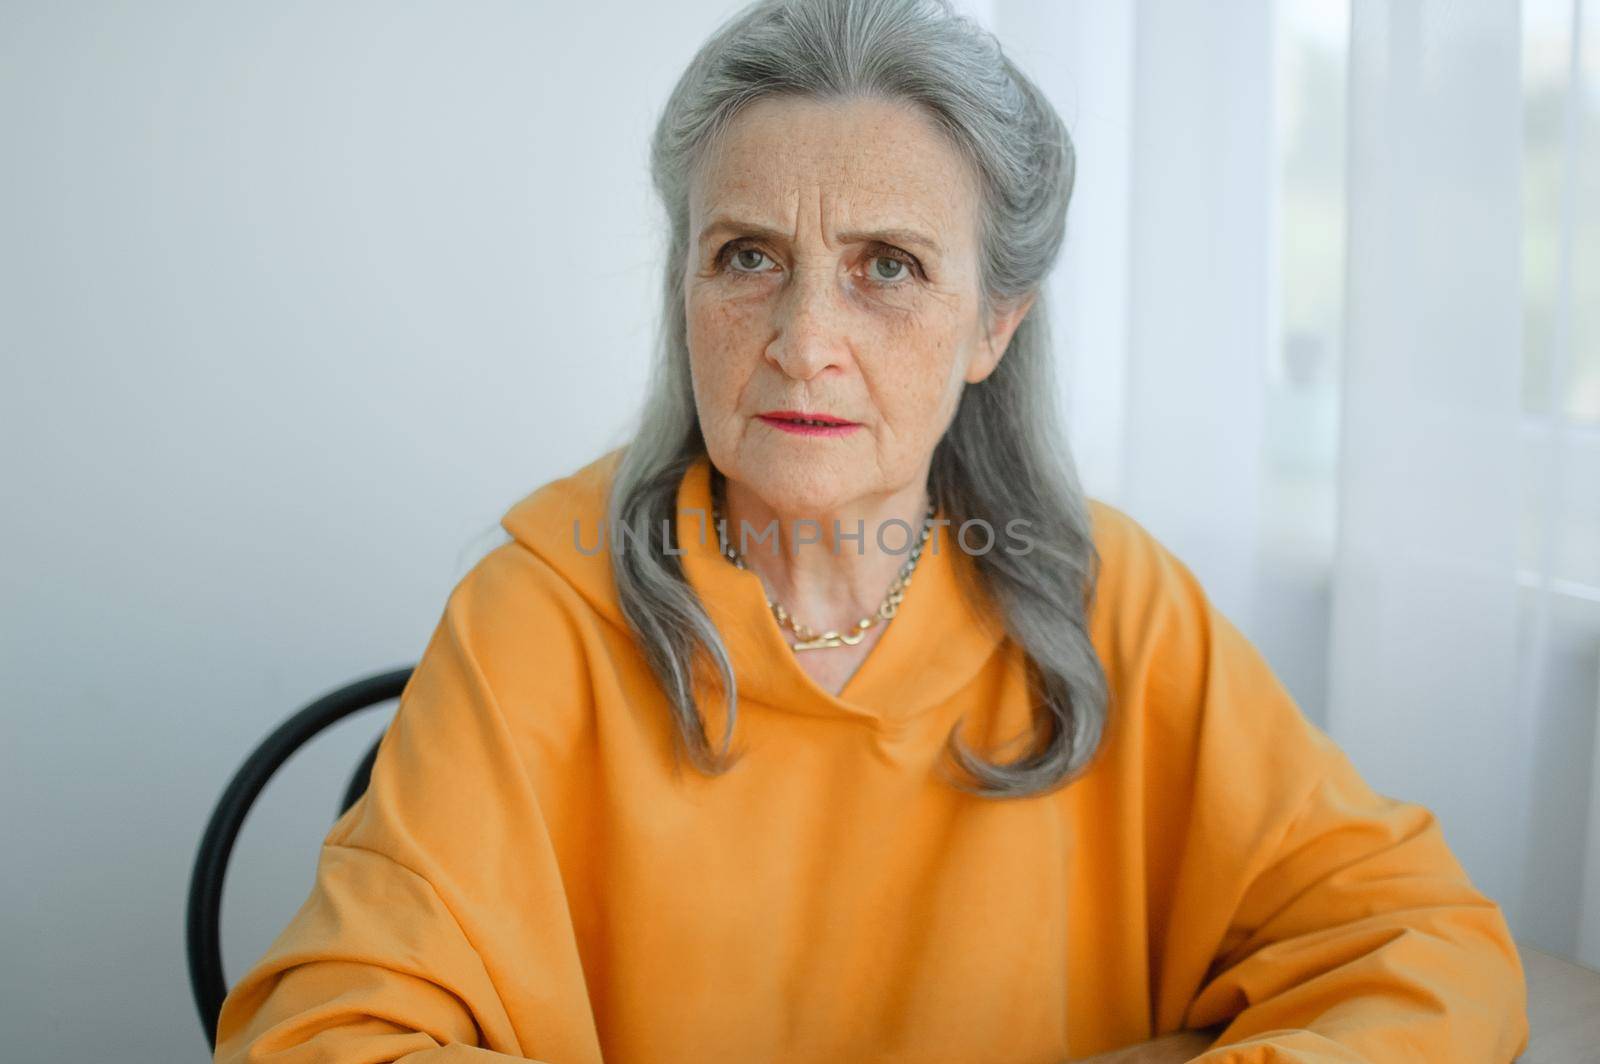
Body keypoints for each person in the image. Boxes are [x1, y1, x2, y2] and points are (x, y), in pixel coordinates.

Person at [212, 0, 1531, 1060]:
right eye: (746, 257)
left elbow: (1425, 948)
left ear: (994, 325)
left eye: (886, 267)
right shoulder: (538, 612)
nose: (802, 343)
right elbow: (323, 1035)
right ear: (687, 287)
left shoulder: (1108, 598)